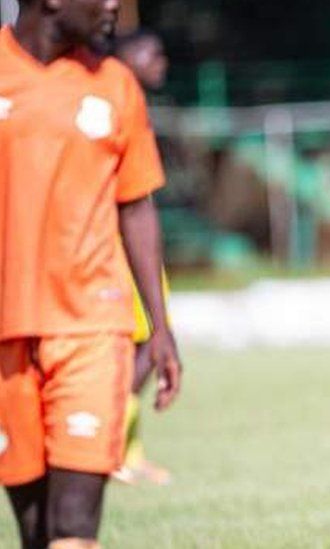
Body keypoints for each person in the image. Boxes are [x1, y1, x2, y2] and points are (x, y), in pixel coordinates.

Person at [0, 0, 183, 547]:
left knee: (75, 526)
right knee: (36, 530)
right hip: (8, 335)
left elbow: (137, 205)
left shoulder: (116, 85)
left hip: (91, 328)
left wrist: (160, 325)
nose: (112, 5)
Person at [111, 27, 172, 487]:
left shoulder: (130, 101)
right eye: (152, 54)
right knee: (142, 348)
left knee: (148, 345)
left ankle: (128, 451)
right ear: (126, 58)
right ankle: (110, 447)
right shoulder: (110, 96)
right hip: (118, 252)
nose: (161, 62)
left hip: (138, 248)